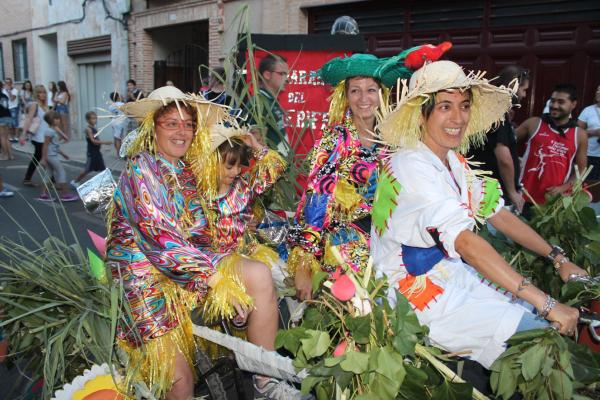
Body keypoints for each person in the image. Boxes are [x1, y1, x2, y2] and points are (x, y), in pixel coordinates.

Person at [373, 60, 587, 369]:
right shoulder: (410, 166)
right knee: (537, 342)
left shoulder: (453, 162)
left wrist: (558, 258)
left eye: (464, 105)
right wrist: (548, 303)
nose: (457, 118)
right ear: (422, 114)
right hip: (415, 294)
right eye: (444, 107)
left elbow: (498, 215)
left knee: (521, 309)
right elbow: (467, 244)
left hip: (450, 276)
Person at [106, 86, 309, 400]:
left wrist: (232, 291)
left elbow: (201, 238)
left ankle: (264, 380)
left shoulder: (186, 172)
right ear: (153, 127)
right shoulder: (140, 171)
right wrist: (217, 281)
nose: (181, 131)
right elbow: (162, 241)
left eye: (187, 124)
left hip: (191, 271)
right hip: (147, 283)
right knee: (179, 384)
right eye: (171, 123)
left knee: (258, 274)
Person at [287, 45, 450, 301]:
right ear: (346, 96)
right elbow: (316, 201)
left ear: (381, 94)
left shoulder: (397, 140)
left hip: (393, 234)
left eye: (371, 90)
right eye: (356, 91)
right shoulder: (335, 141)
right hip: (347, 241)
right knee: (374, 297)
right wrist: (305, 261)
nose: (364, 98)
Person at [468, 66, 530, 212]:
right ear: (513, 87)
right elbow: (504, 158)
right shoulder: (499, 115)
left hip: (478, 186)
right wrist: (512, 192)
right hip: (494, 192)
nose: (524, 95)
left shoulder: (484, 111)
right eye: (524, 89)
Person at [516, 84, 587, 207]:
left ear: (573, 104)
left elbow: (581, 170)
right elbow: (503, 143)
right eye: (552, 101)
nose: (554, 106)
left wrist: (564, 187)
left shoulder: (579, 135)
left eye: (561, 102)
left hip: (554, 202)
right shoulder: (533, 124)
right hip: (524, 197)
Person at [246, 54, 290, 154]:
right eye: (282, 73)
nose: (287, 79)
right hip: (270, 167)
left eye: (287, 74)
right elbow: (254, 145)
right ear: (267, 75)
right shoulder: (259, 104)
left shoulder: (271, 101)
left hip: (280, 165)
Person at [37, 111, 77, 202]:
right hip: (50, 156)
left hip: (51, 155)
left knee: (49, 174)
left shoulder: (52, 130)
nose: (59, 120)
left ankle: (43, 194)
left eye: (58, 118)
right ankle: (65, 194)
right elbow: (45, 145)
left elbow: (57, 144)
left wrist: (63, 154)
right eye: (56, 119)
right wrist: (43, 158)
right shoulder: (49, 131)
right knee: (61, 172)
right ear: (51, 120)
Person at [71, 111, 112, 187]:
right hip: (92, 152)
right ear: (88, 120)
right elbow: (93, 141)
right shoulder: (88, 129)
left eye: (95, 118)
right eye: (92, 118)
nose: (95, 120)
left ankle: (105, 184)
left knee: (102, 168)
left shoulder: (93, 128)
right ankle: (75, 181)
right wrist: (105, 142)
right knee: (88, 169)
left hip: (97, 152)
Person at [21, 85, 51, 186]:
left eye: (44, 92)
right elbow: (29, 119)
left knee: (38, 157)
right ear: (36, 94)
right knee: (45, 157)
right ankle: (52, 180)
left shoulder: (46, 105)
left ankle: (27, 178)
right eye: (40, 92)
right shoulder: (35, 105)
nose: (43, 94)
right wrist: (23, 134)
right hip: (38, 137)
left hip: (46, 136)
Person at [577, 84, 600, 181]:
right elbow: (576, 133)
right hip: (590, 155)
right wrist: (594, 132)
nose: (598, 92)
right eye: (598, 90)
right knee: (587, 185)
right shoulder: (588, 110)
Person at [2, 78, 19, 143]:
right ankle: (11, 137)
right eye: (6, 83)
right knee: (9, 124)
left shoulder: (15, 90)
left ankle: (16, 137)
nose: (7, 84)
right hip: (6, 108)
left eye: (9, 82)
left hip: (13, 108)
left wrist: (9, 91)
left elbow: (12, 99)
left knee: (15, 123)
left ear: (11, 83)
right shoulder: (3, 90)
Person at [0, 83, 14, 161]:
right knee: (7, 137)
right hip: (8, 116)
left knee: (2, 137)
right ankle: (11, 155)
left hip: (1, 117)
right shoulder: (4, 96)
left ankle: (5, 156)